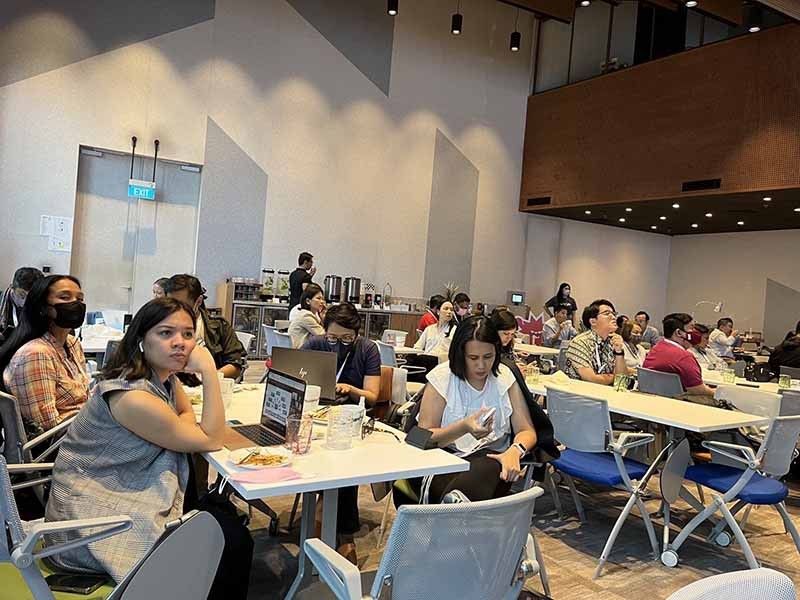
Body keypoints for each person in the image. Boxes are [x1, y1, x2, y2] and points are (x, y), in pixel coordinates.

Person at [44, 297, 252, 599]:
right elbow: (211, 438)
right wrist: (209, 372)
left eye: (187, 334)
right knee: (230, 541)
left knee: (226, 531)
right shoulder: (132, 396)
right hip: (91, 521)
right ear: (142, 339)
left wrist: (183, 423)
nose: (180, 343)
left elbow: (187, 416)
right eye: (166, 333)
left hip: (120, 493)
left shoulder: (159, 379)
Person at [417, 316, 538, 503]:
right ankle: (452, 513)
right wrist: (463, 427)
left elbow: (526, 430)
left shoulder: (505, 377)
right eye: (473, 358)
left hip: (493, 458)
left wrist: (515, 450)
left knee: (489, 468)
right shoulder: (442, 378)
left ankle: (451, 512)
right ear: (460, 354)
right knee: (451, 486)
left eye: (488, 357)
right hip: (445, 456)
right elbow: (422, 437)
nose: (481, 365)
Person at [302, 303, 381, 557]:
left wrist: (350, 388)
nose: (338, 343)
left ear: (356, 333)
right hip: (315, 414)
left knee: (344, 459)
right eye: (333, 337)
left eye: (347, 338)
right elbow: (292, 372)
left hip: (351, 418)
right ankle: (339, 528)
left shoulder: (367, 349)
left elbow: (371, 396)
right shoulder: (316, 344)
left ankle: (329, 525)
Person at [0, 275, 89, 433]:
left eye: (80, 299)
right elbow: (48, 427)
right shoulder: (35, 354)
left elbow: (84, 396)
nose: (75, 303)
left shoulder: (72, 343)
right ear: (43, 307)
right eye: (64, 297)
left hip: (82, 429)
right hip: (61, 444)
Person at [489, 309, 559, 461]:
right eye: (505, 334)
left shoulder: (507, 348)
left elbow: (511, 363)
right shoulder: (488, 350)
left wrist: (518, 368)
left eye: (512, 334)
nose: (508, 338)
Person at [165, 274, 246, 381]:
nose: (174, 309)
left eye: (181, 305)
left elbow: (236, 365)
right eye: (170, 303)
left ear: (198, 301)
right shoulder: (159, 327)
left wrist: (209, 377)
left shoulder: (219, 326)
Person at [643, 313, 716, 400]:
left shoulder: (656, 349)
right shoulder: (684, 357)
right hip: (680, 403)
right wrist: (719, 392)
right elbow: (698, 391)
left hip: (654, 401)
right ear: (678, 333)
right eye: (691, 328)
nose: (695, 333)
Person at [563, 299, 627, 385]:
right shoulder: (580, 342)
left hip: (606, 394)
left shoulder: (613, 342)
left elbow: (622, 380)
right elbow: (592, 380)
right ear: (593, 321)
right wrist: (615, 377)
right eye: (607, 313)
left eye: (614, 314)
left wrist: (619, 352)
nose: (613, 317)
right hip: (580, 395)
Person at [0, 267, 44, 343]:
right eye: (22, 295)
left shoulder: (43, 306)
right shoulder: (2, 301)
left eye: (31, 296)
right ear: (12, 287)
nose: (25, 301)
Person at [288, 283, 326, 348]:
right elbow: (323, 335)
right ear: (308, 301)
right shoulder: (306, 316)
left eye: (323, 299)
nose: (322, 302)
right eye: (318, 298)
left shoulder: (306, 314)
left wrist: (322, 317)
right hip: (300, 353)